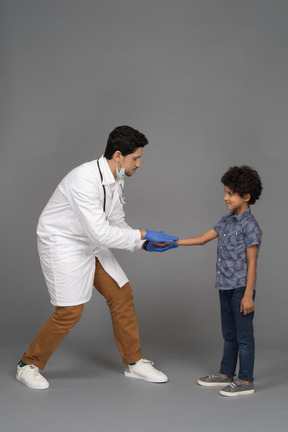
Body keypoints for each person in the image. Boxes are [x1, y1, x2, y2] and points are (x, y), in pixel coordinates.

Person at [16, 125, 178, 390]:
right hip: (62, 242)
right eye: (135, 158)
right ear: (118, 155)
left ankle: (134, 362)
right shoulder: (84, 179)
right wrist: (144, 232)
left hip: (90, 240)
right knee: (69, 312)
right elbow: (103, 234)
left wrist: (144, 244)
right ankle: (28, 364)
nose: (139, 164)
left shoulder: (116, 179)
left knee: (121, 295)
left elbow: (115, 223)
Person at [176, 166, 262, 397]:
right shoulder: (226, 221)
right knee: (229, 334)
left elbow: (252, 263)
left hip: (241, 289)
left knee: (244, 337)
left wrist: (247, 294)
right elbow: (203, 239)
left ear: (246, 197)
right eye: (225, 192)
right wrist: (173, 242)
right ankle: (226, 374)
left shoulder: (249, 226)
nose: (225, 197)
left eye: (230, 193)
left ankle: (245, 380)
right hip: (224, 286)